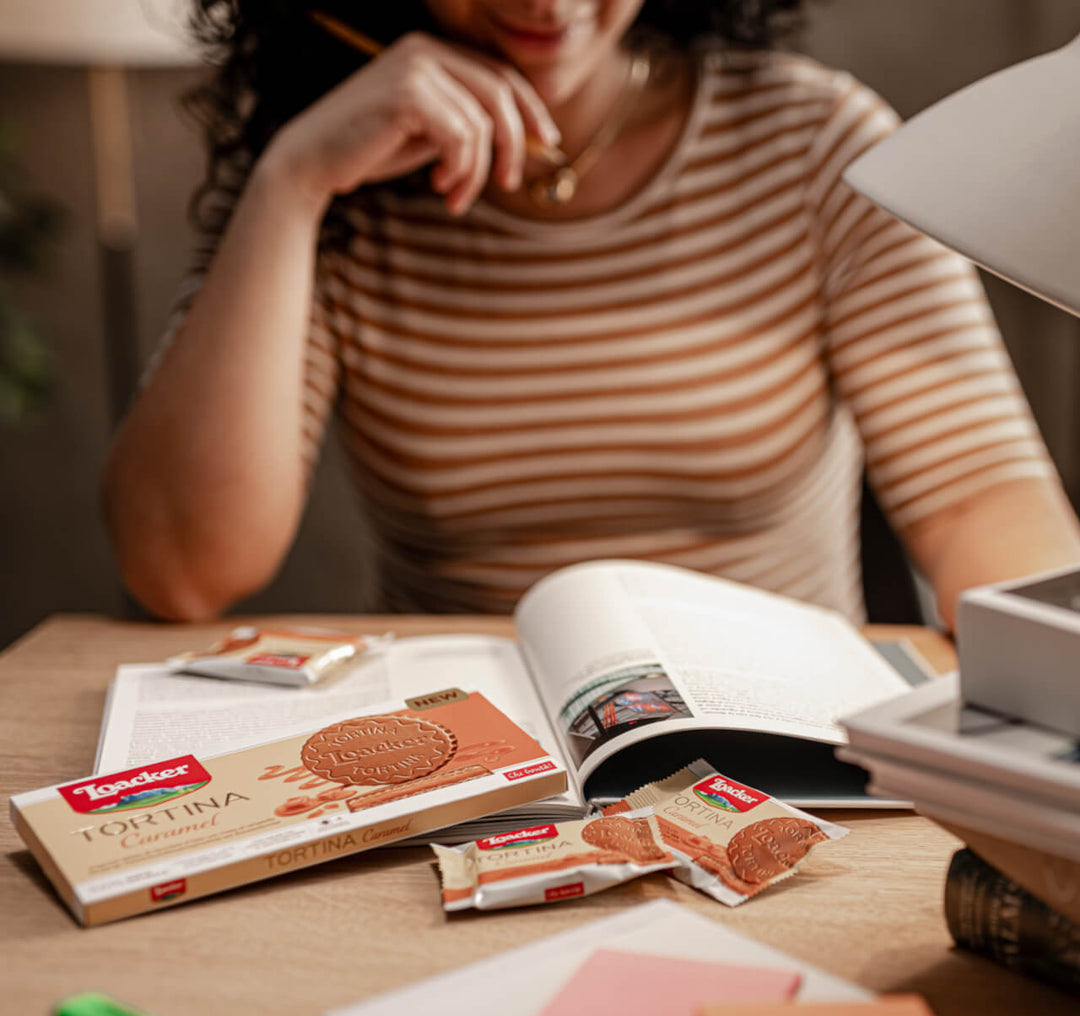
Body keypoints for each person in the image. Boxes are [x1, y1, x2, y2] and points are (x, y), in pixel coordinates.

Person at [102, 0, 1080, 628]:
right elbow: (184, 572)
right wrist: (294, 179)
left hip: (784, 756)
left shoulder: (812, 142)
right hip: (464, 775)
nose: (548, 1)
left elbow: (980, 506)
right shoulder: (341, 177)